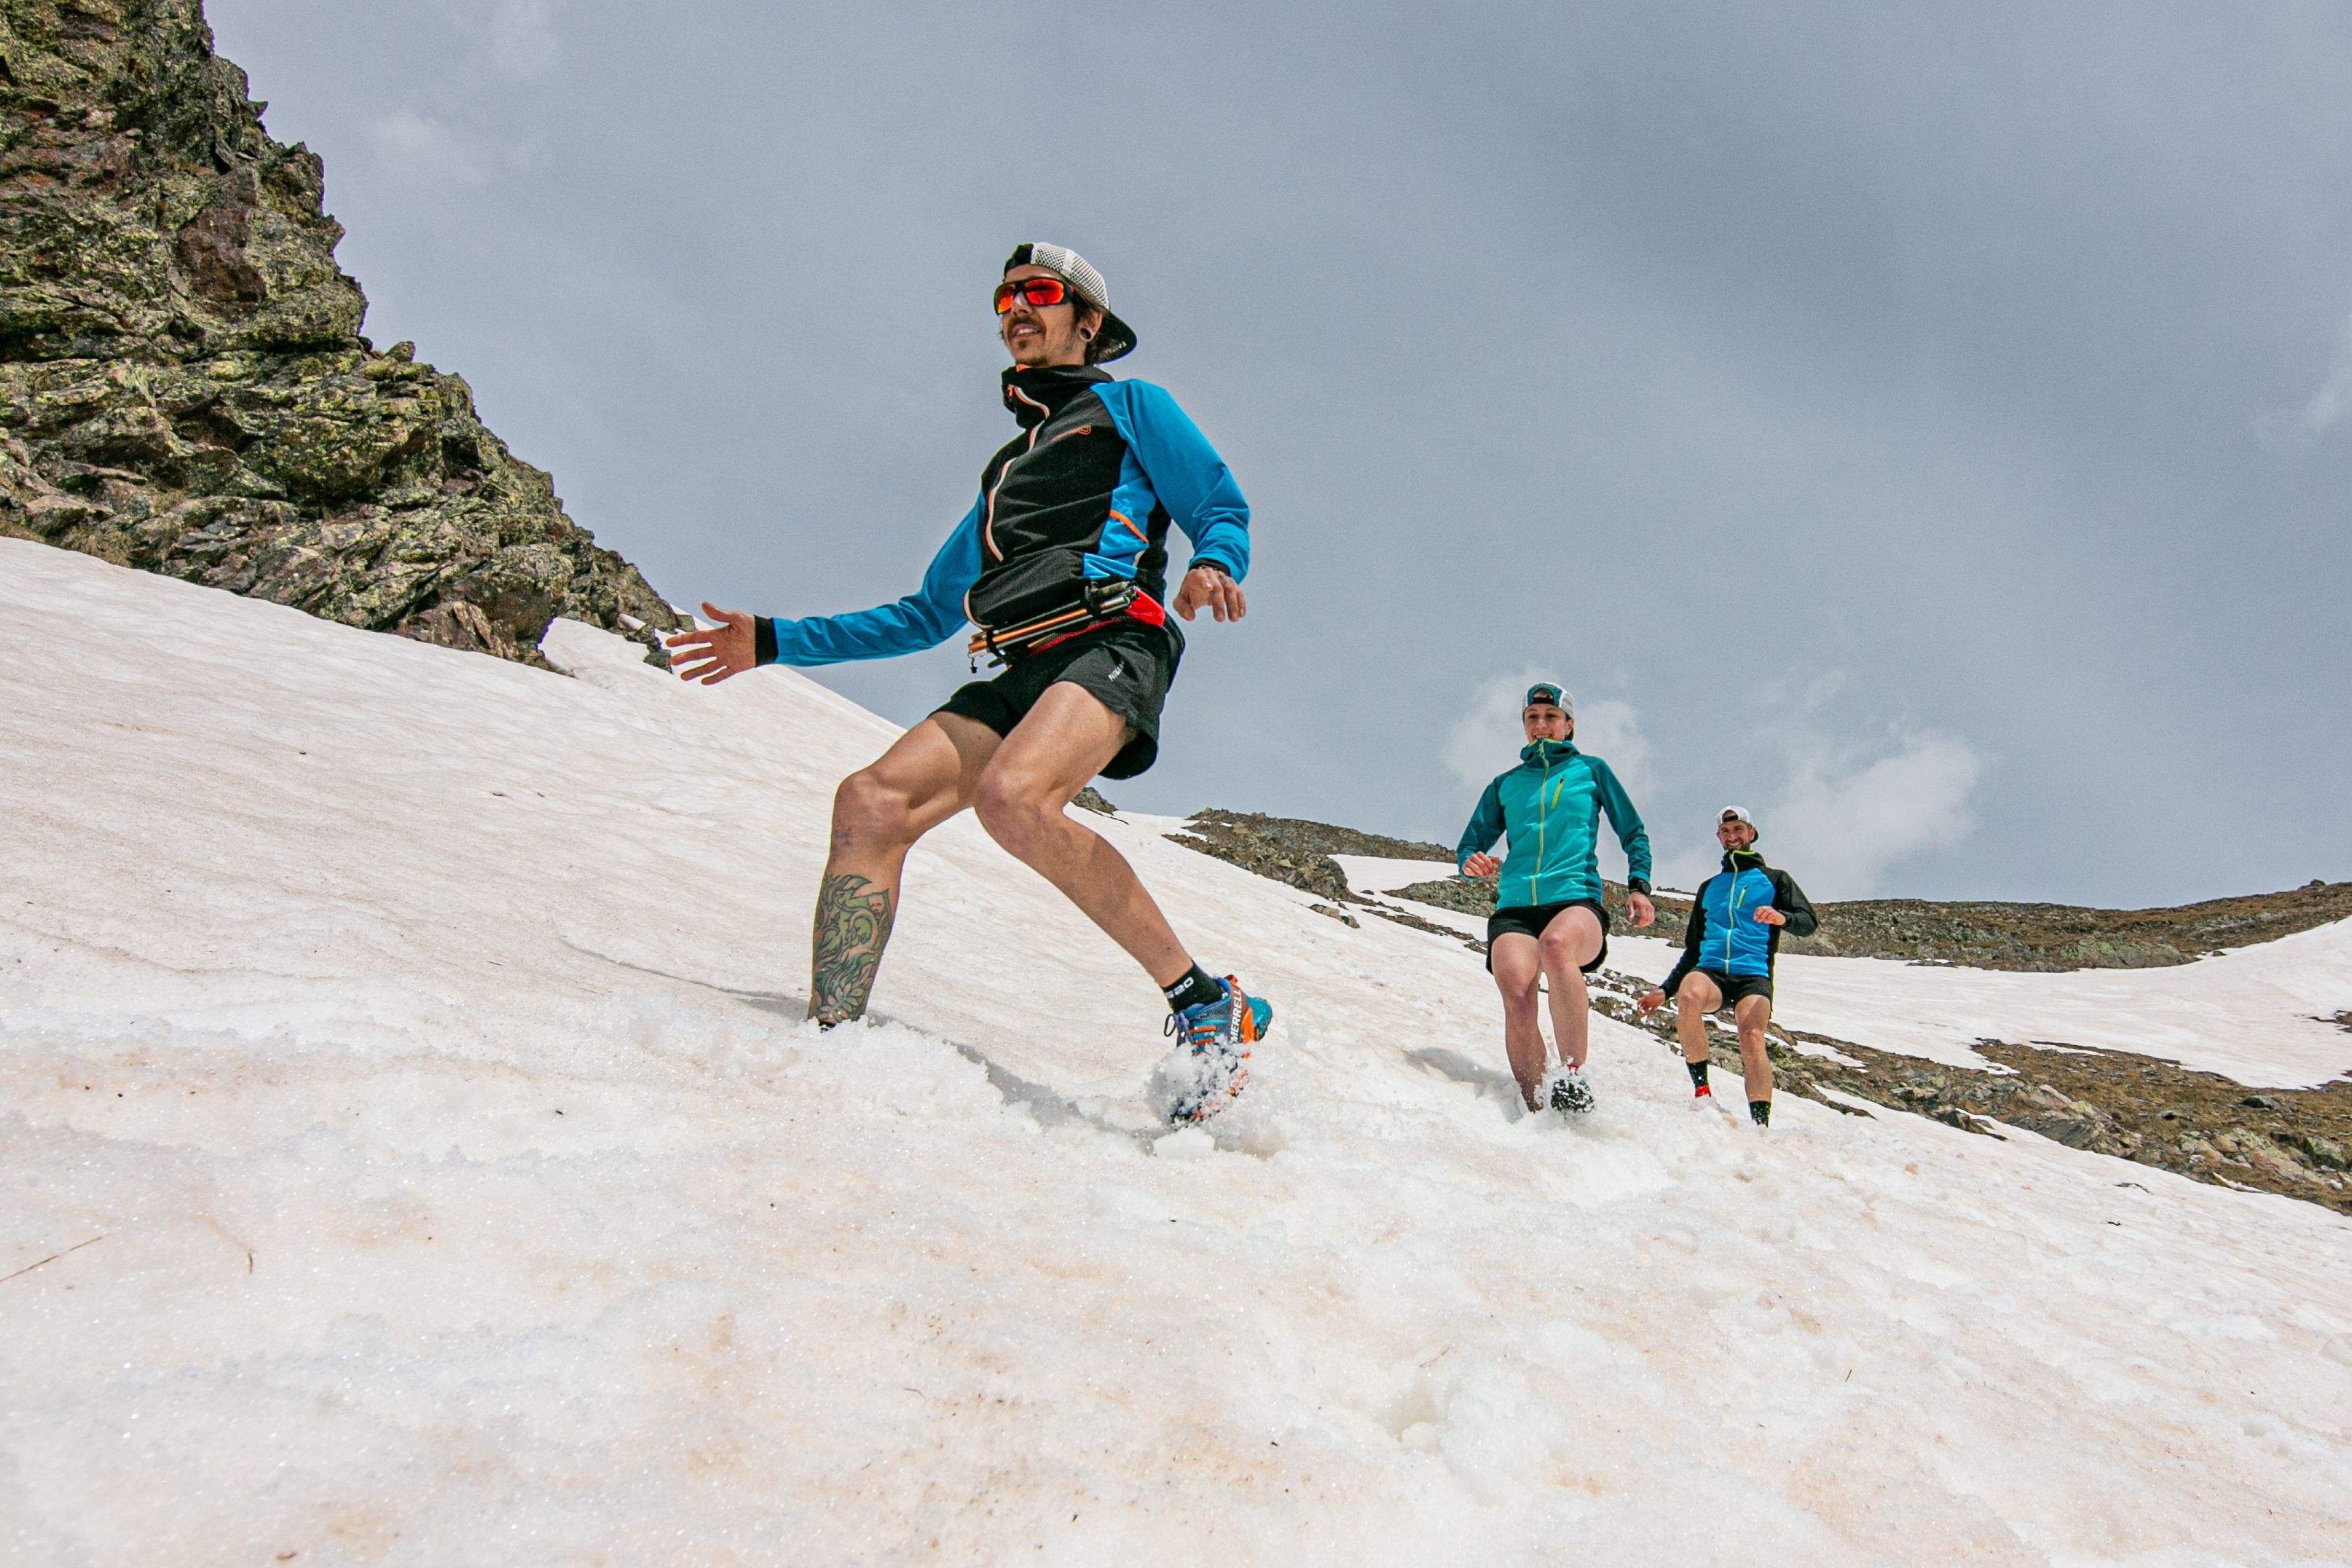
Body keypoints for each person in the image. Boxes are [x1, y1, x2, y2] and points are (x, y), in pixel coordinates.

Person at [662, 243, 1269, 1125]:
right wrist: (774, 640)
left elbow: (1217, 500)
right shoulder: (1002, 478)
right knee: (871, 800)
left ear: (1087, 321)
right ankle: (829, 1043)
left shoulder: (1132, 406)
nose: (1017, 308)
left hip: (1112, 639)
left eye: (1041, 293)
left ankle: (1207, 1001)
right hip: (1019, 663)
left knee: (1015, 798)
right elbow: (923, 614)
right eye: (1004, 298)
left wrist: (1215, 560)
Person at [1456, 683, 1655, 1114]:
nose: (1541, 725)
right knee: (1516, 988)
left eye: (1550, 717)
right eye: (1532, 718)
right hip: (1515, 906)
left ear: (1568, 725)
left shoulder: (1592, 770)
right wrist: (1471, 862)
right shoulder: (1505, 785)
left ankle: (1572, 1077)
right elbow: (1469, 844)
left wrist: (1639, 885)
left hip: (1574, 898)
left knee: (1556, 946)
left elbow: (1633, 832)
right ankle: (1537, 1107)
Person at [1636, 806, 1819, 1127]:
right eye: (1725, 831)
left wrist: (1782, 918)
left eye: (1738, 829)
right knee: (1689, 996)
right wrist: (1665, 991)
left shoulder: (1775, 880)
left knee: (1752, 1036)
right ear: (1719, 838)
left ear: (1751, 833)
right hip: (1712, 972)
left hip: (1753, 974)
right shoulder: (1709, 888)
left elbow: (1808, 922)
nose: (1732, 836)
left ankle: (1760, 1124)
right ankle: (1702, 1092)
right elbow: (1694, 948)